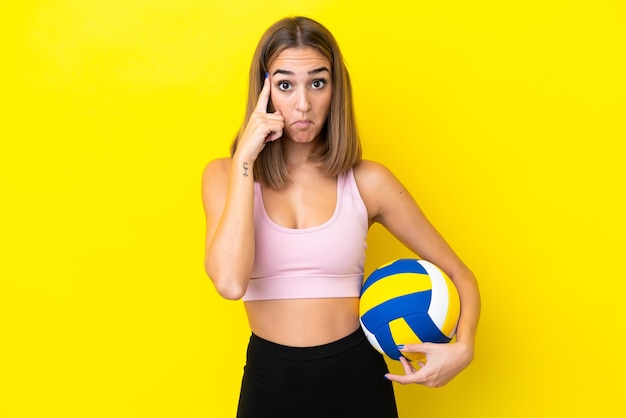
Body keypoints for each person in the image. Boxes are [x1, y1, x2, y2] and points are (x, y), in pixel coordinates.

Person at [202, 16, 480, 418]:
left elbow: (461, 275)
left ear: (335, 89)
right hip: (268, 382)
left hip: (358, 381)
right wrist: (246, 157)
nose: (302, 103)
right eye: (284, 84)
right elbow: (229, 282)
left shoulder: (369, 181)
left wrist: (464, 347)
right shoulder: (225, 175)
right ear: (262, 91)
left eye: (318, 82)